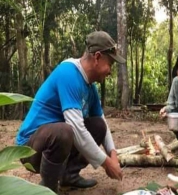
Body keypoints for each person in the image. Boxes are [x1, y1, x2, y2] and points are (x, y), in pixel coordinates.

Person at [15, 31, 124, 193]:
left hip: (54, 142)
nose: (110, 72)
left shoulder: (90, 86)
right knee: (65, 131)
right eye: (110, 65)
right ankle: (48, 188)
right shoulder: (68, 74)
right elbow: (77, 130)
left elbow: (103, 124)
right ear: (98, 57)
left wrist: (113, 155)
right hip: (30, 148)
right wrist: (107, 163)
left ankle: (69, 176)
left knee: (98, 125)